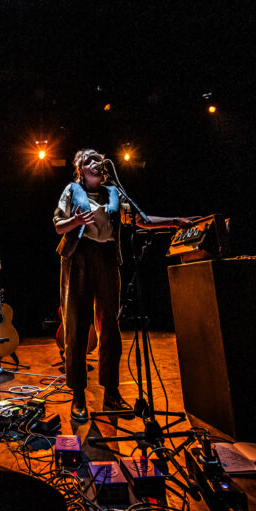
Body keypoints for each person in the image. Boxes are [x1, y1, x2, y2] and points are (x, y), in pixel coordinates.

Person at [54, 149, 193, 422]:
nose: (96, 163)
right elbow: (59, 225)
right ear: (80, 169)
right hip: (78, 257)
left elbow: (142, 219)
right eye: (89, 160)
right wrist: (76, 221)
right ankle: (79, 396)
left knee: (110, 328)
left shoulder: (113, 193)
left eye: (98, 159)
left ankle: (111, 393)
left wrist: (175, 221)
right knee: (77, 328)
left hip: (106, 259)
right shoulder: (72, 190)